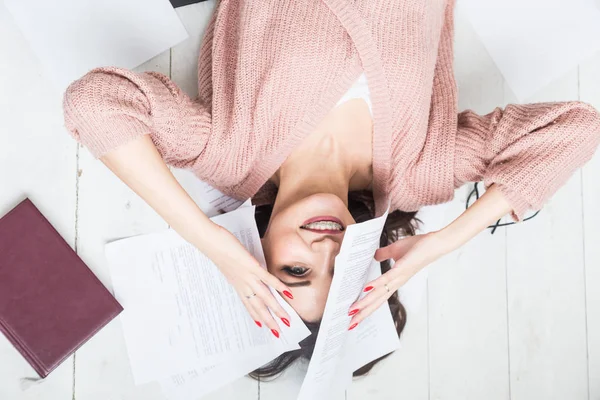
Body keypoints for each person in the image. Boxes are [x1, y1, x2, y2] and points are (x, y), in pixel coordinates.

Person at [62, 0, 600, 378]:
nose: (326, 252)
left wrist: (209, 241)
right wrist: (444, 242)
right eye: (346, 273)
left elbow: (95, 102)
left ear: (254, 254)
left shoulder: (227, 152)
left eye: (295, 272)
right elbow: (576, 129)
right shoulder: (419, 172)